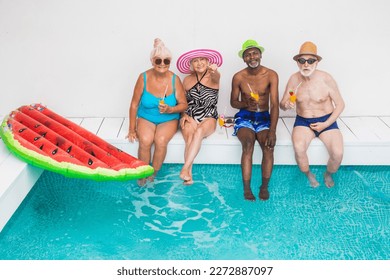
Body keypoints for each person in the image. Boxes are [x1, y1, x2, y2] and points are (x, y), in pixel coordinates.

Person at [280, 41, 344, 188]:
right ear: (297, 62)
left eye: (310, 61)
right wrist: (286, 104)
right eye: (302, 61)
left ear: (317, 62)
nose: (306, 64)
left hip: (326, 121)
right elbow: (282, 104)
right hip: (304, 121)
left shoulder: (326, 78)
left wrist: (325, 124)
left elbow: (340, 104)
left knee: (338, 154)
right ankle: (308, 174)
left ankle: (327, 174)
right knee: (299, 148)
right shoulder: (294, 80)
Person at [127, 38, 188, 186]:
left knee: (160, 141)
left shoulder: (175, 79)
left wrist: (170, 109)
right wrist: (131, 129)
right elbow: (134, 104)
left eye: (166, 61)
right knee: (146, 141)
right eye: (158, 60)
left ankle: (153, 172)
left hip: (168, 118)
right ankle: (143, 172)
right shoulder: (144, 77)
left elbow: (183, 105)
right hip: (146, 117)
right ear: (152, 61)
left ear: (170, 62)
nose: (162, 64)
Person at [231, 39, 279, 201]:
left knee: (269, 146)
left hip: (264, 117)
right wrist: (245, 103)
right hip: (245, 117)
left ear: (260, 55)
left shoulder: (271, 75)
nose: (252, 57)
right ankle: (246, 189)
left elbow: (275, 104)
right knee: (248, 144)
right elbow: (233, 102)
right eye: (248, 55)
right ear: (244, 58)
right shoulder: (238, 77)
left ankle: (264, 186)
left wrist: (272, 130)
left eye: (255, 53)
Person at [176, 49, 223, 185]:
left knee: (200, 132)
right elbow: (183, 102)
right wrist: (184, 115)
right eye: (195, 61)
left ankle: (185, 168)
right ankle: (188, 175)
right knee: (190, 137)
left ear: (208, 62)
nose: (199, 63)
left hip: (209, 116)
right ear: (191, 65)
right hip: (190, 115)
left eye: (202, 59)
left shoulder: (213, 76)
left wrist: (215, 70)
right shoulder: (187, 80)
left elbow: (217, 76)